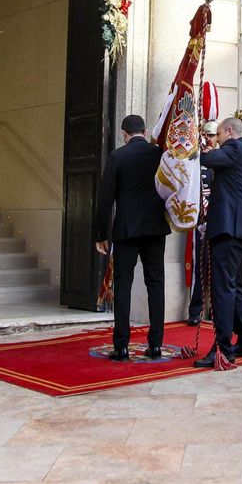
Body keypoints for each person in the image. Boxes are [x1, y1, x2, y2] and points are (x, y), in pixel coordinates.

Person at [95, 114, 169, 360]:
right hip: (155, 227)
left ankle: (121, 346)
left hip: (126, 229)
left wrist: (101, 234)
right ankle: (156, 344)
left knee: (123, 284)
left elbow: (105, 199)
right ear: (145, 132)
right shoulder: (159, 154)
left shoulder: (117, 156)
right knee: (156, 283)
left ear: (124, 134)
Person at [196, 117, 242, 367]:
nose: (217, 140)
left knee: (222, 288)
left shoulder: (234, 147)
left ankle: (222, 348)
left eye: (219, 134)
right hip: (240, 228)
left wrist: (194, 145)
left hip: (229, 228)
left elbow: (207, 159)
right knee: (234, 286)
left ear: (230, 131)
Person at [186, 119, 216, 326]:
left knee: (217, 267)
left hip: (219, 219)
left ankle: (215, 309)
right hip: (200, 219)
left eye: (213, 135)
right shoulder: (196, 161)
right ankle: (195, 310)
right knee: (199, 266)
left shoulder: (221, 159)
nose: (209, 139)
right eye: (206, 135)